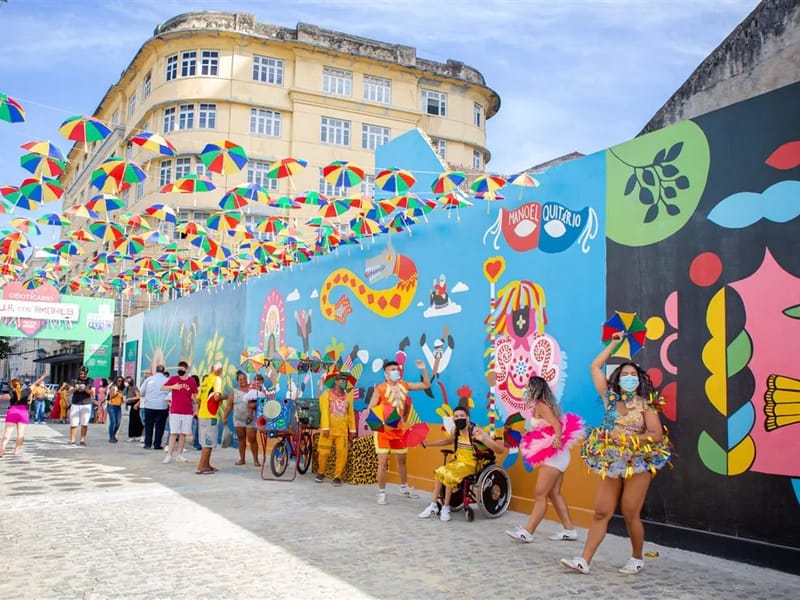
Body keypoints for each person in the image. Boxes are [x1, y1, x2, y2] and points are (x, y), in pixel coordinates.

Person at [561, 332, 672, 575]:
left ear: (639, 379)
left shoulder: (645, 405)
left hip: (638, 463)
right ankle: (584, 560)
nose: (629, 378)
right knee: (602, 511)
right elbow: (595, 366)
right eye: (625, 375)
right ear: (618, 380)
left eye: (633, 375)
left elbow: (655, 435)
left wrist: (627, 438)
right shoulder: (610, 399)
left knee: (631, 512)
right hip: (612, 462)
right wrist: (614, 342)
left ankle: (636, 557)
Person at [506, 375, 584, 543]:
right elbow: (546, 427)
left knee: (540, 494)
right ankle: (570, 530)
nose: (526, 390)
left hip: (554, 457)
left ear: (535, 389)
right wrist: (529, 434)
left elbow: (556, 424)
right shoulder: (541, 405)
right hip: (559, 456)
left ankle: (528, 532)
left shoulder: (542, 405)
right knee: (554, 494)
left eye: (528, 387)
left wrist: (557, 438)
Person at [418, 404, 505, 521]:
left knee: (449, 474)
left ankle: (446, 507)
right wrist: (429, 444)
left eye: (462, 416)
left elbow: (500, 450)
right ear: (453, 419)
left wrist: (484, 440)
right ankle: (433, 505)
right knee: (439, 472)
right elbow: (448, 441)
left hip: (472, 464)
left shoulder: (476, 431)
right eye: (456, 416)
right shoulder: (456, 430)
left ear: (468, 418)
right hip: (458, 461)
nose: (459, 418)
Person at [368, 359, 431, 505]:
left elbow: (426, 385)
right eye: (392, 369)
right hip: (383, 430)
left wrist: (423, 369)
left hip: (398, 430)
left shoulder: (404, 385)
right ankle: (382, 493)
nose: (396, 371)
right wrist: (383, 417)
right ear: (386, 373)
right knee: (383, 462)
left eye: (397, 369)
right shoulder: (380, 388)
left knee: (402, 460)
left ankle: (403, 487)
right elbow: (370, 407)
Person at [314, 371, 357, 486]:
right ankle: (321, 472)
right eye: (342, 380)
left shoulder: (348, 397)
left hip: (342, 431)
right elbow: (324, 412)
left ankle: (338, 476)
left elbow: (351, 414)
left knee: (342, 453)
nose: (344, 382)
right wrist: (326, 428)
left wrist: (352, 430)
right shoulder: (326, 395)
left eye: (345, 380)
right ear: (336, 381)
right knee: (323, 452)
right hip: (328, 430)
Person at [162, 361, 198, 464]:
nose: (180, 370)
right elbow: (162, 388)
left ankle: (180, 454)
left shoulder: (191, 381)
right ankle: (169, 455)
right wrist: (172, 387)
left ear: (186, 369)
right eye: (179, 368)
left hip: (187, 411)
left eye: (182, 368)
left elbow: (195, 396)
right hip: (175, 410)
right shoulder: (173, 379)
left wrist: (196, 408)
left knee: (183, 434)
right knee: (174, 433)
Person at [195, 362, 228, 475]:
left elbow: (198, 399)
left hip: (202, 415)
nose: (221, 371)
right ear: (218, 370)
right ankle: (201, 466)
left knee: (206, 441)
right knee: (208, 443)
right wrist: (225, 396)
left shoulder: (205, 380)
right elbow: (216, 397)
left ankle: (206, 465)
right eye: (221, 369)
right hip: (210, 416)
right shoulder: (217, 379)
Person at [230, 371, 259, 466]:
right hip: (238, 419)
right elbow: (229, 405)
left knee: (252, 439)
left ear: (247, 378)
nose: (243, 381)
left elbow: (257, 402)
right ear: (237, 381)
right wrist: (225, 417)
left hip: (250, 419)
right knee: (241, 438)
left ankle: (256, 460)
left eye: (244, 378)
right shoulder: (234, 391)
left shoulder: (252, 389)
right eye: (240, 379)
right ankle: (242, 459)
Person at [139, 365, 169, 450]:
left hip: (149, 405)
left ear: (156, 370)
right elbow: (170, 393)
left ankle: (147, 443)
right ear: (164, 371)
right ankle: (157, 444)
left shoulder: (149, 379)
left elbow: (141, 392)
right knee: (160, 426)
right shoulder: (167, 380)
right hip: (162, 406)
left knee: (149, 425)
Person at [68, 366, 95, 446]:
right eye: (81, 373)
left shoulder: (90, 380)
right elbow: (69, 391)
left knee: (84, 423)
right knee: (74, 423)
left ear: (87, 373)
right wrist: (75, 389)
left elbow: (93, 393)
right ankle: (73, 440)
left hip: (86, 404)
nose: (82, 375)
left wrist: (86, 389)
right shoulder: (74, 380)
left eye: (84, 373)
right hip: (75, 403)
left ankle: (82, 440)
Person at [0, 379, 26, 457]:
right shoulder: (26, 391)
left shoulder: (12, 393)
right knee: (20, 433)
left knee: (7, 432)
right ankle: (16, 451)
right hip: (23, 412)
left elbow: (5, 397)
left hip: (13, 412)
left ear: (11, 385)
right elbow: (29, 400)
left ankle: (2, 451)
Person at [106, 377, 126, 443]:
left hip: (118, 406)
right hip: (112, 406)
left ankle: (113, 435)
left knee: (118, 423)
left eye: (121, 381)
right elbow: (110, 396)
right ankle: (111, 437)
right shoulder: (113, 387)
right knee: (113, 422)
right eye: (118, 381)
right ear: (116, 381)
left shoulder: (121, 389)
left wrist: (123, 400)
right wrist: (116, 393)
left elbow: (121, 398)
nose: (120, 382)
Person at [124, 377, 143, 442]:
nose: (126, 383)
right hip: (131, 405)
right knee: (132, 420)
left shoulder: (134, 387)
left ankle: (136, 435)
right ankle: (133, 435)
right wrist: (126, 404)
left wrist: (129, 399)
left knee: (136, 420)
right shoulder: (127, 388)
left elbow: (138, 396)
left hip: (135, 405)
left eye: (127, 381)